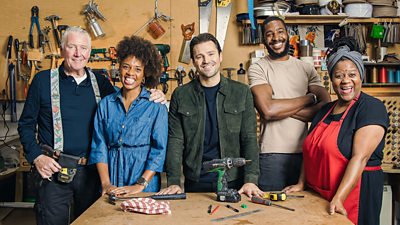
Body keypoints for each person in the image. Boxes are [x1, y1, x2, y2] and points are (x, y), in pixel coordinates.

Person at [17, 27, 166, 225]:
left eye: (83, 48)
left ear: (89, 52)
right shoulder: (42, 81)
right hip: (53, 172)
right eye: (72, 47)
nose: (78, 53)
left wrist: (157, 93)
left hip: (91, 174)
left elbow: (129, 94)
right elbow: (25, 125)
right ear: (62, 50)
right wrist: (36, 156)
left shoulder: (101, 83)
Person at [284, 37, 389, 225]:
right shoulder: (325, 110)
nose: (345, 81)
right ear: (331, 79)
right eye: (339, 75)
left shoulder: (371, 108)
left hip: (356, 192)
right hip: (321, 194)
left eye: (352, 74)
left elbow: (360, 158)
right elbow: (309, 152)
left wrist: (339, 197)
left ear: (361, 76)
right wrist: (301, 183)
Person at [158, 33, 263, 197]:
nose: (206, 61)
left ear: (220, 56)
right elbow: (176, 141)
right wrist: (174, 181)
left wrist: (251, 179)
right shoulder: (181, 95)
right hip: (196, 180)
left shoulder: (241, 92)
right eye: (199, 56)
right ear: (193, 62)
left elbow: (249, 138)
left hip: (234, 179)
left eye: (211, 54)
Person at [248, 16, 331, 191]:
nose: (276, 38)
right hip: (272, 156)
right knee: (272, 215)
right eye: (269, 34)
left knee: (305, 213)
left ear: (288, 34)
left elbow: (324, 109)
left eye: (280, 32)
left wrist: (279, 106)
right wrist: (309, 99)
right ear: (264, 39)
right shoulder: (258, 68)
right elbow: (269, 111)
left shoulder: (306, 68)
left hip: (306, 155)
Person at [89, 35, 168, 197]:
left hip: (143, 178)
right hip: (111, 175)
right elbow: (99, 146)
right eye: (126, 66)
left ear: (145, 74)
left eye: (137, 69)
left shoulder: (155, 106)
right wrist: (106, 184)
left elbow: (159, 150)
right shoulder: (106, 104)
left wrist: (140, 185)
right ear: (119, 68)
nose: (130, 73)